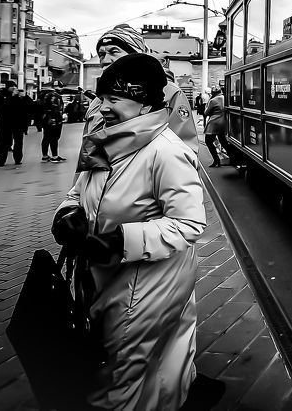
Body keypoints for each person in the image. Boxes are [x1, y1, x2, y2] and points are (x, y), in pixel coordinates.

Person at [51, 54, 208, 409]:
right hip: (109, 276)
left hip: (144, 283)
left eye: (113, 99)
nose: (102, 106)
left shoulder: (165, 152)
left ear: (143, 101)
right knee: (151, 367)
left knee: (120, 371)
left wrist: (120, 241)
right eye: (102, 97)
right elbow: (78, 190)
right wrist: (68, 214)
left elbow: (189, 223)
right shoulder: (108, 143)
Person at [77, 25, 198, 172]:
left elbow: (184, 151)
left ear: (135, 54)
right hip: (99, 184)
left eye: (114, 51)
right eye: (101, 54)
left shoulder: (169, 92)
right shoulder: (99, 100)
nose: (105, 60)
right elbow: (87, 153)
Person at [0, 81, 32, 166]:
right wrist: (12, 96)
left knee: (18, 142)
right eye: (11, 87)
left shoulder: (19, 97)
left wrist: (25, 96)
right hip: (5, 123)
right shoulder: (3, 96)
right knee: (4, 143)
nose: (14, 89)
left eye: (14, 87)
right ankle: (1, 160)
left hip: (18, 123)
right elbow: (2, 107)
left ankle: (18, 159)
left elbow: (30, 106)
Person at [40, 87, 66, 162]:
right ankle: (55, 156)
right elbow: (56, 108)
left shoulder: (45, 96)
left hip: (46, 119)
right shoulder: (55, 96)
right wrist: (56, 118)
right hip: (54, 119)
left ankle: (45, 155)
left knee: (46, 137)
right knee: (54, 137)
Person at [203, 89, 227, 167]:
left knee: (208, 141)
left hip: (214, 123)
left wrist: (207, 104)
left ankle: (216, 160)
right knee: (223, 141)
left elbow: (206, 112)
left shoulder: (213, 100)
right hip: (224, 123)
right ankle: (233, 158)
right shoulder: (225, 98)